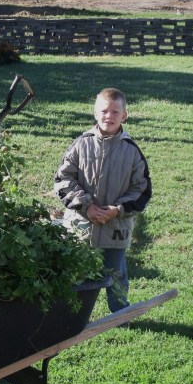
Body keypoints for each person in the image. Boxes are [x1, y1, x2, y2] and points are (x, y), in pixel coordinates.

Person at [54, 88, 152, 313]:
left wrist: (116, 210)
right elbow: (63, 179)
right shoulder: (81, 144)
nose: (109, 116)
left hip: (115, 226)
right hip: (81, 225)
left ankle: (119, 314)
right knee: (76, 272)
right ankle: (71, 314)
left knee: (115, 274)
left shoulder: (131, 151)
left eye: (115, 112)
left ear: (124, 115)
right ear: (95, 113)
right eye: (104, 111)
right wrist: (86, 207)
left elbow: (142, 189)